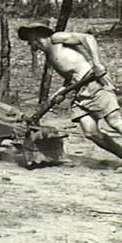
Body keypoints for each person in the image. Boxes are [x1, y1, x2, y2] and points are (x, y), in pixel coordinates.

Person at [18, 23, 122, 159]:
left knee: (115, 122)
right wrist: (60, 92)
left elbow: (88, 38)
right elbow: (70, 76)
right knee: (91, 132)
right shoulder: (49, 55)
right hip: (80, 92)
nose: (29, 44)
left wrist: (96, 62)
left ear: (35, 34)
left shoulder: (56, 38)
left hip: (94, 83)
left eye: (29, 39)